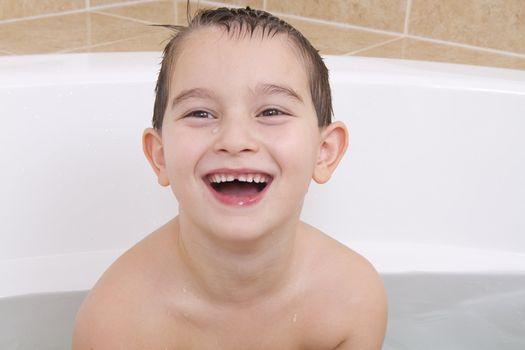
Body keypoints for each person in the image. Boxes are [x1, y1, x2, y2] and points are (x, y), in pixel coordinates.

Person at [73, 5, 387, 349]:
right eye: (200, 113)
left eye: (271, 111)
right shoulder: (119, 322)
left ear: (324, 151)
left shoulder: (350, 298)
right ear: (160, 156)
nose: (235, 141)